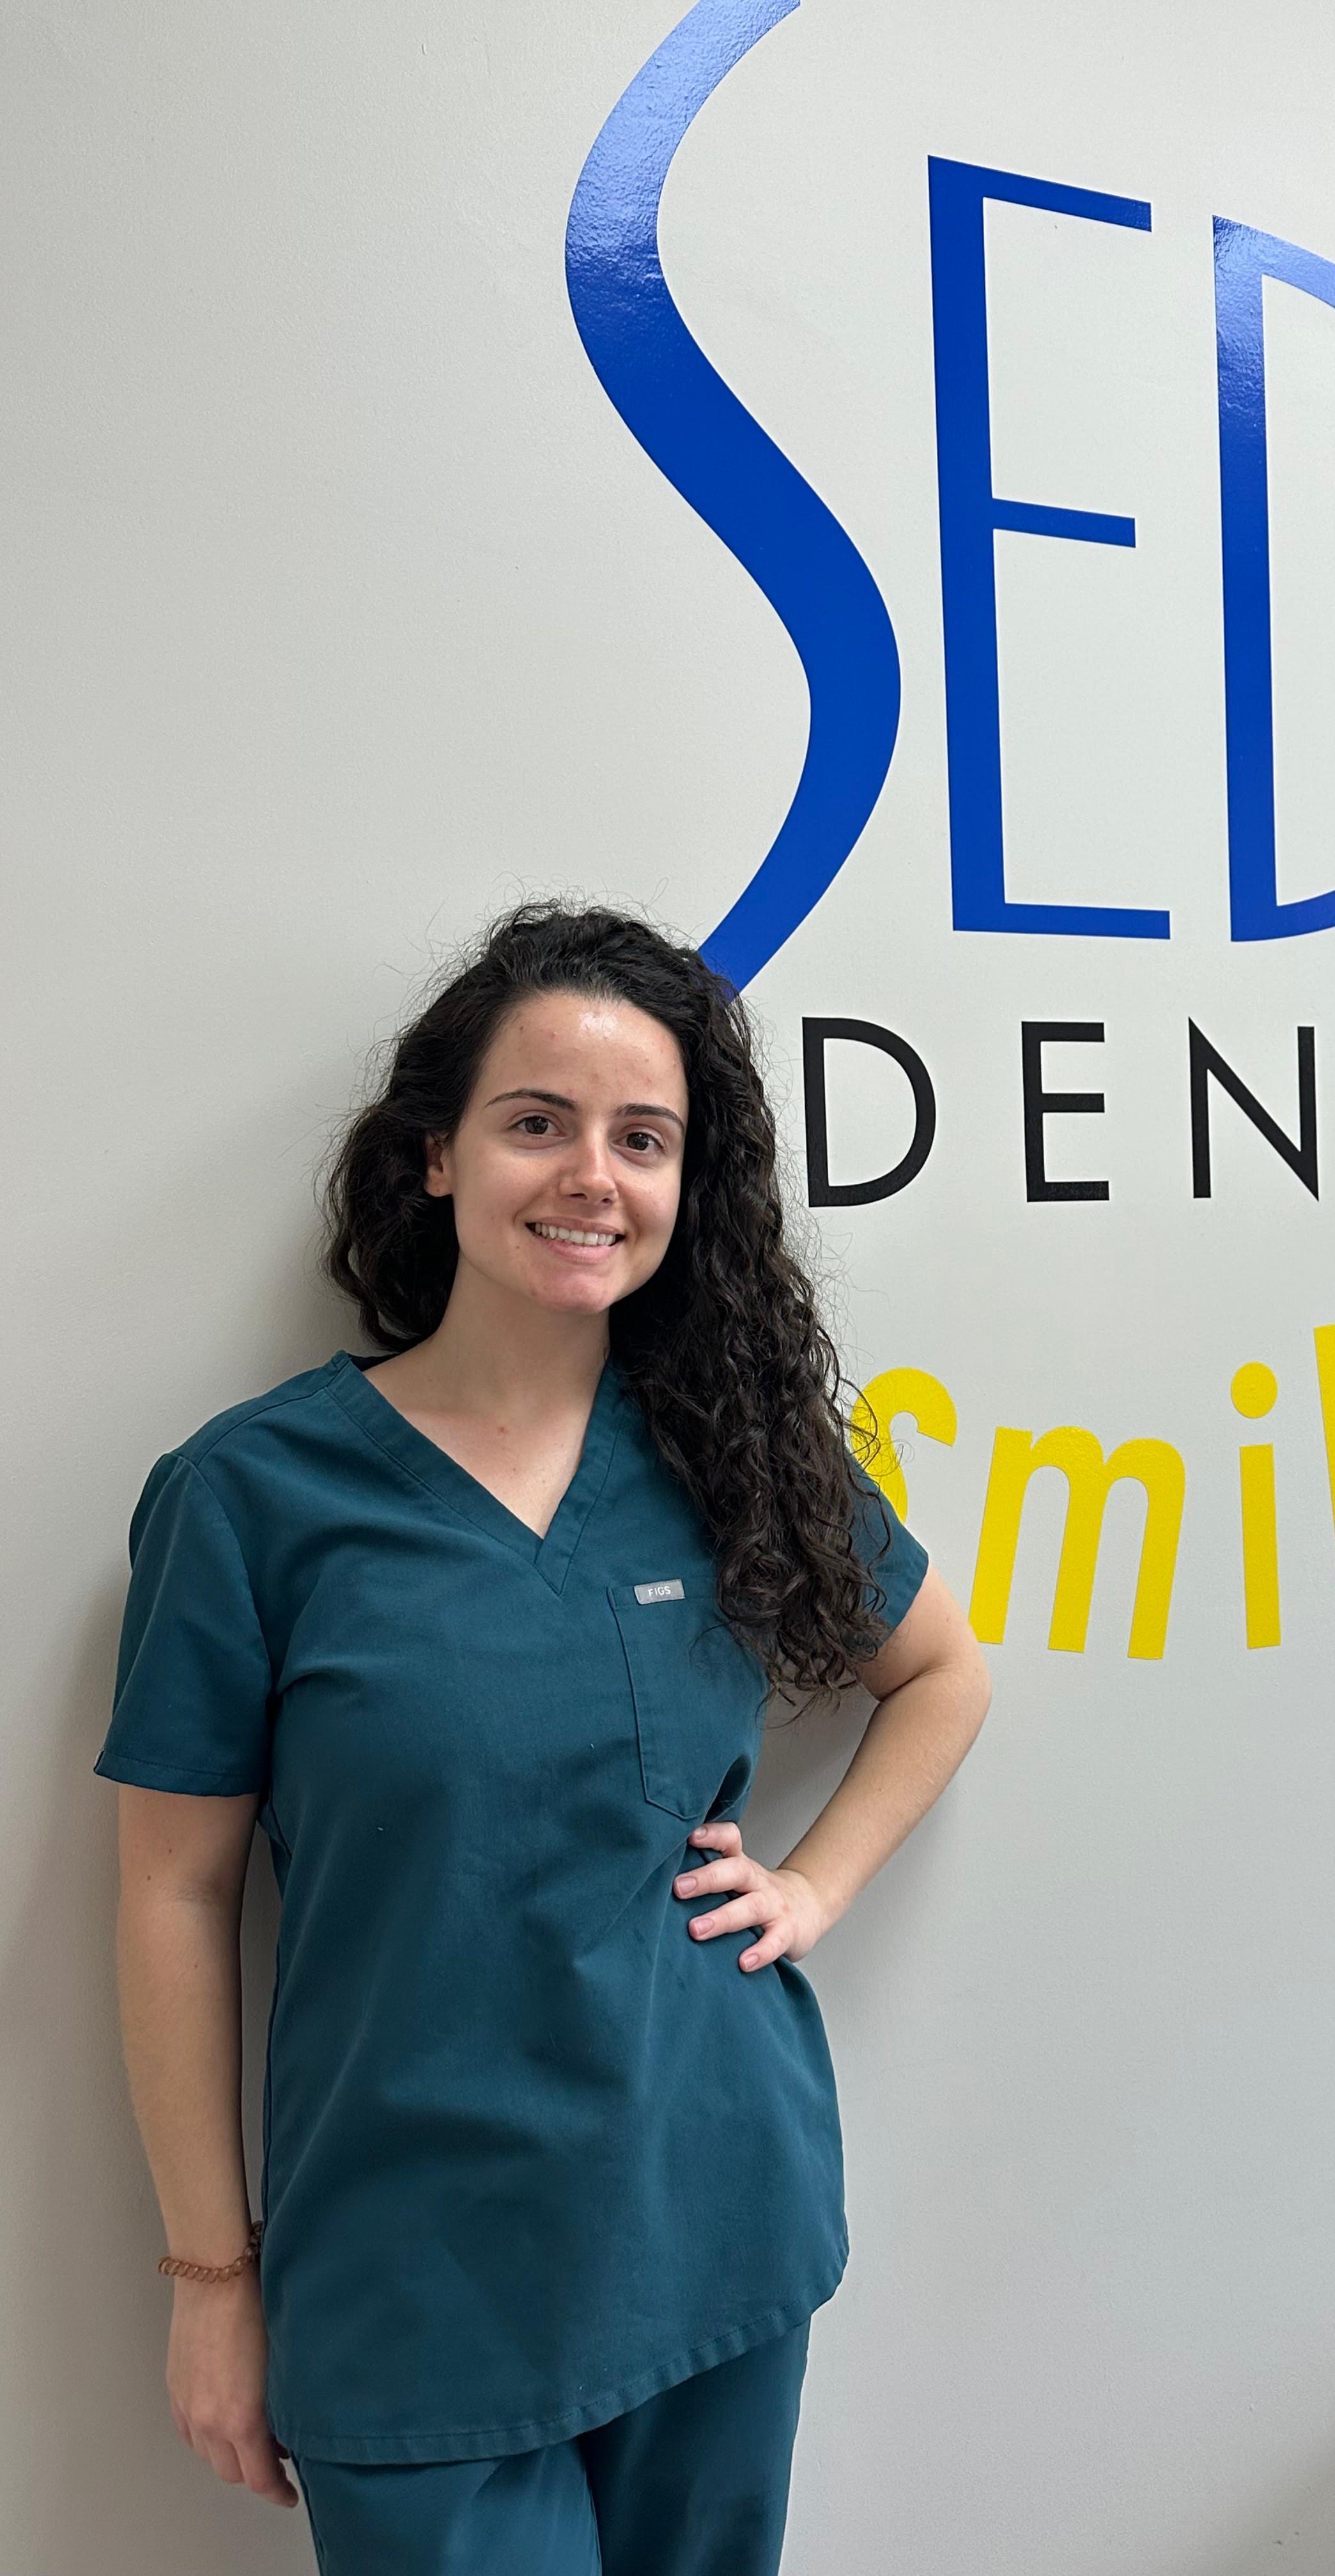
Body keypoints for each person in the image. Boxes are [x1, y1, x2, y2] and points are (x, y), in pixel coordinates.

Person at [94, 899, 990, 2573]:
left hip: (711, 2217)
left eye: (643, 1139)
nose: (593, 1175)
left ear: (687, 1186)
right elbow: (173, 1892)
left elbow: (942, 1671)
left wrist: (812, 1888)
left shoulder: (733, 1457)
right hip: (408, 2276)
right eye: (537, 1123)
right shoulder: (253, 1497)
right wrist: (211, 2279)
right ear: (436, 1155)